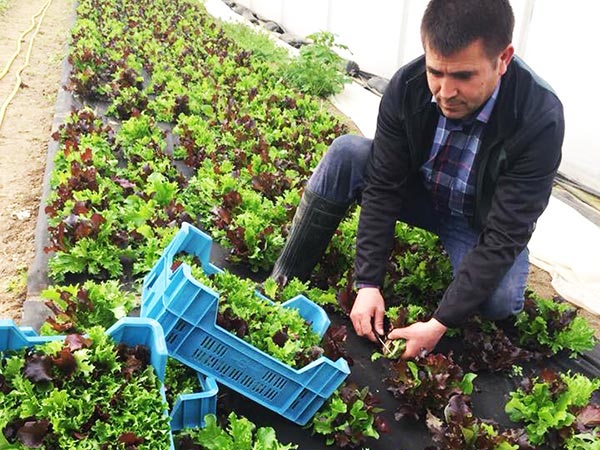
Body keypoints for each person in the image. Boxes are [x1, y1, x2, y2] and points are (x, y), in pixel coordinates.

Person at [271, 0, 564, 358]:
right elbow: (382, 186)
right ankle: (283, 277)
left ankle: (461, 264)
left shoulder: (538, 117)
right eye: (436, 71)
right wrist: (367, 284)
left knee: (499, 300)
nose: (445, 91)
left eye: (463, 76)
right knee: (348, 154)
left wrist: (439, 322)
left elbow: (506, 233)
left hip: (475, 220)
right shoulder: (408, 86)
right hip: (420, 195)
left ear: (503, 59)